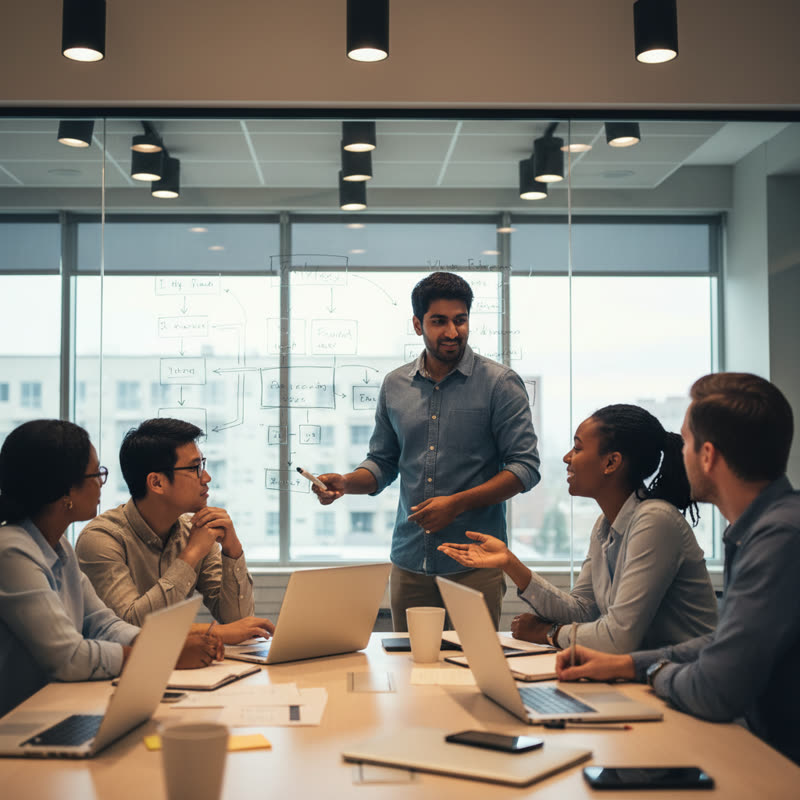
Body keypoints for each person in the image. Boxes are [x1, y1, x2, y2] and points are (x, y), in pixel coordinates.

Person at [556, 374, 800, 766]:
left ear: (708, 456)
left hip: (779, 761)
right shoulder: (761, 528)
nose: (677, 454)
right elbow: (723, 643)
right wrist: (628, 665)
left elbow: (716, 689)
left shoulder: (780, 538)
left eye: (686, 442)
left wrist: (654, 671)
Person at [313, 271, 541, 630]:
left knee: (472, 662)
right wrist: (346, 483)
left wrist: (457, 504)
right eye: (439, 321)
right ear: (418, 324)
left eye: (460, 320)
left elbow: (525, 468)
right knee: (410, 663)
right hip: (410, 562)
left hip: (475, 564)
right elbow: (383, 462)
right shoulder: (395, 385)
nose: (452, 331)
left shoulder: (500, 383)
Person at [439, 404, 718, 652]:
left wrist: (547, 634)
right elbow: (582, 611)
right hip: (642, 675)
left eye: (578, 448)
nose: (567, 457)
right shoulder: (606, 524)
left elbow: (618, 638)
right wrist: (509, 563)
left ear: (611, 462)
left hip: (685, 680)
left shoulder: (655, 521)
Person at [0, 419, 221, 717]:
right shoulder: (11, 551)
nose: (101, 482)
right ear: (64, 490)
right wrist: (160, 655)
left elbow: (102, 624)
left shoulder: (57, 544)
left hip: (59, 706)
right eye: (95, 474)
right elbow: (69, 657)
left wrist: (163, 646)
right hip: (18, 720)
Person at [76, 418, 273, 645]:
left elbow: (239, 621)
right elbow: (129, 629)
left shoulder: (195, 530)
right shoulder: (101, 539)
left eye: (203, 464)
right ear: (157, 483)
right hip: (119, 665)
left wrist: (232, 549)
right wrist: (191, 555)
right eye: (195, 468)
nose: (206, 478)